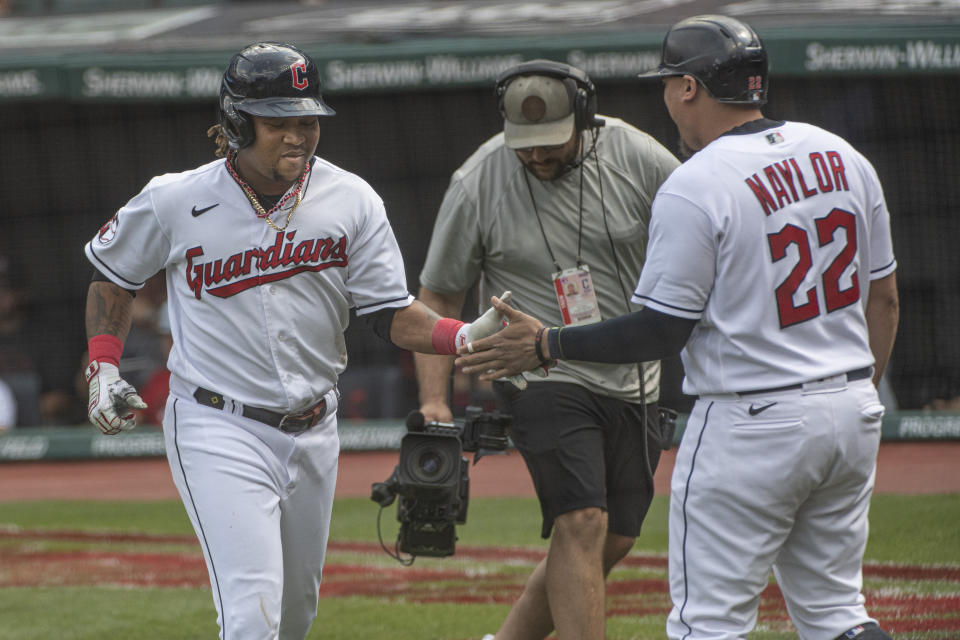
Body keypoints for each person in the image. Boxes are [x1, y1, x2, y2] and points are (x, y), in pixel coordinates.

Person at [457, 16, 898, 640]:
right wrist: (858, 395)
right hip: (852, 405)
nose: (666, 97)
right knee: (837, 615)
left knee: (707, 624)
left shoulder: (697, 182)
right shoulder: (842, 155)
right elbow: (886, 300)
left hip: (752, 419)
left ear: (688, 88)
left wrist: (547, 343)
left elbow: (658, 333)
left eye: (669, 83)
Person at [82, 42, 509, 640]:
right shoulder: (176, 197)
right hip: (217, 423)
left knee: (294, 617)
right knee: (252, 613)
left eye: (306, 120)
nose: (297, 136)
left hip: (314, 425)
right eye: (277, 121)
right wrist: (103, 368)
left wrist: (460, 335)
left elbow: (388, 314)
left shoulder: (352, 198)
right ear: (236, 123)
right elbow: (114, 277)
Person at [414, 59, 680, 640]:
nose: (536, 157)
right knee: (582, 520)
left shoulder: (643, 160)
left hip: (632, 372)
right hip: (533, 370)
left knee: (614, 536)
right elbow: (438, 291)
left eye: (550, 144)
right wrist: (435, 400)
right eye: (524, 146)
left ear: (583, 119)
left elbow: (702, 232)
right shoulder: (478, 180)